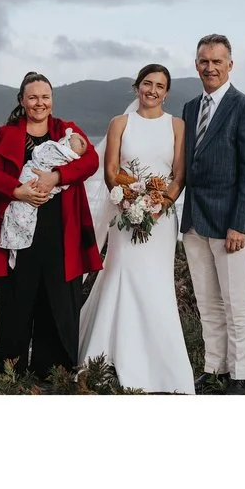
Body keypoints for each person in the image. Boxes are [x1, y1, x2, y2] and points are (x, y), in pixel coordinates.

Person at [75, 63, 193, 394]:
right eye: (147, 83)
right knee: (120, 275)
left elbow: (179, 175)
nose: (152, 90)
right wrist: (128, 201)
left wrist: (159, 205)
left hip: (161, 220)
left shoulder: (178, 126)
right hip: (124, 217)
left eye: (159, 85)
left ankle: (162, 366)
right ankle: (108, 357)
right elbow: (111, 169)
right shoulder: (120, 123)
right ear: (136, 86)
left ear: (166, 92)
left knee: (157, 284)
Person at [0, 72, 101, 380]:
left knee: (57, 299)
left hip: (60, 229)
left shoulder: (66, 130)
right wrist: (18, 191)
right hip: (19, 230)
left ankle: (53, 372)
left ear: (52, 100)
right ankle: (12, 371)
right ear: (21, 100)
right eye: (32, 97)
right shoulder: (6, 134)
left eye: (45, 96)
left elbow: (91, 161)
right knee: (18, 300)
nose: (39, 103)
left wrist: (56, 177)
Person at [177, 34, 245, 394]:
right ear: (196, 64)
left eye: (217, 61)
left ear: (230, 64)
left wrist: (239, 225)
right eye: (203, 61)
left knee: (237, 304)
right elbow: (185, 167)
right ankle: (215, 369)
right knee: (207, 303)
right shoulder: (188, 109)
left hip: (230, 226)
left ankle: (241, 377)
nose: (209, 67)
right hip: (195, 223)